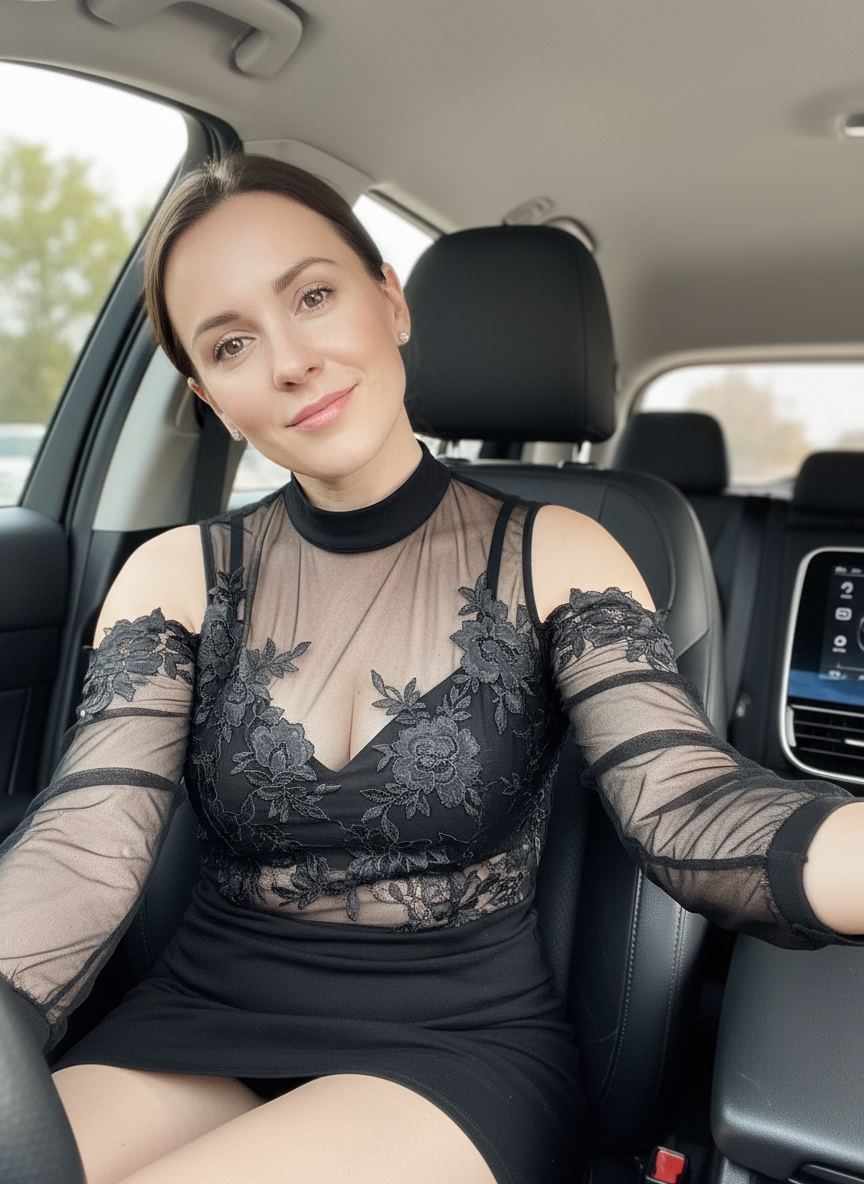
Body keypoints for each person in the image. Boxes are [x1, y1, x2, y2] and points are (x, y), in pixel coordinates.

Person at [0, 153, 861, 1184]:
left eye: (312, 297)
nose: (289, 361)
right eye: (232, 344)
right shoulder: (173, 575)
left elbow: (687, 805)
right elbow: (87, 839)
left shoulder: (561, 550)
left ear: (391, 302)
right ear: (211, 396)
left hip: (452, 1046)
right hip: (193, 1015)